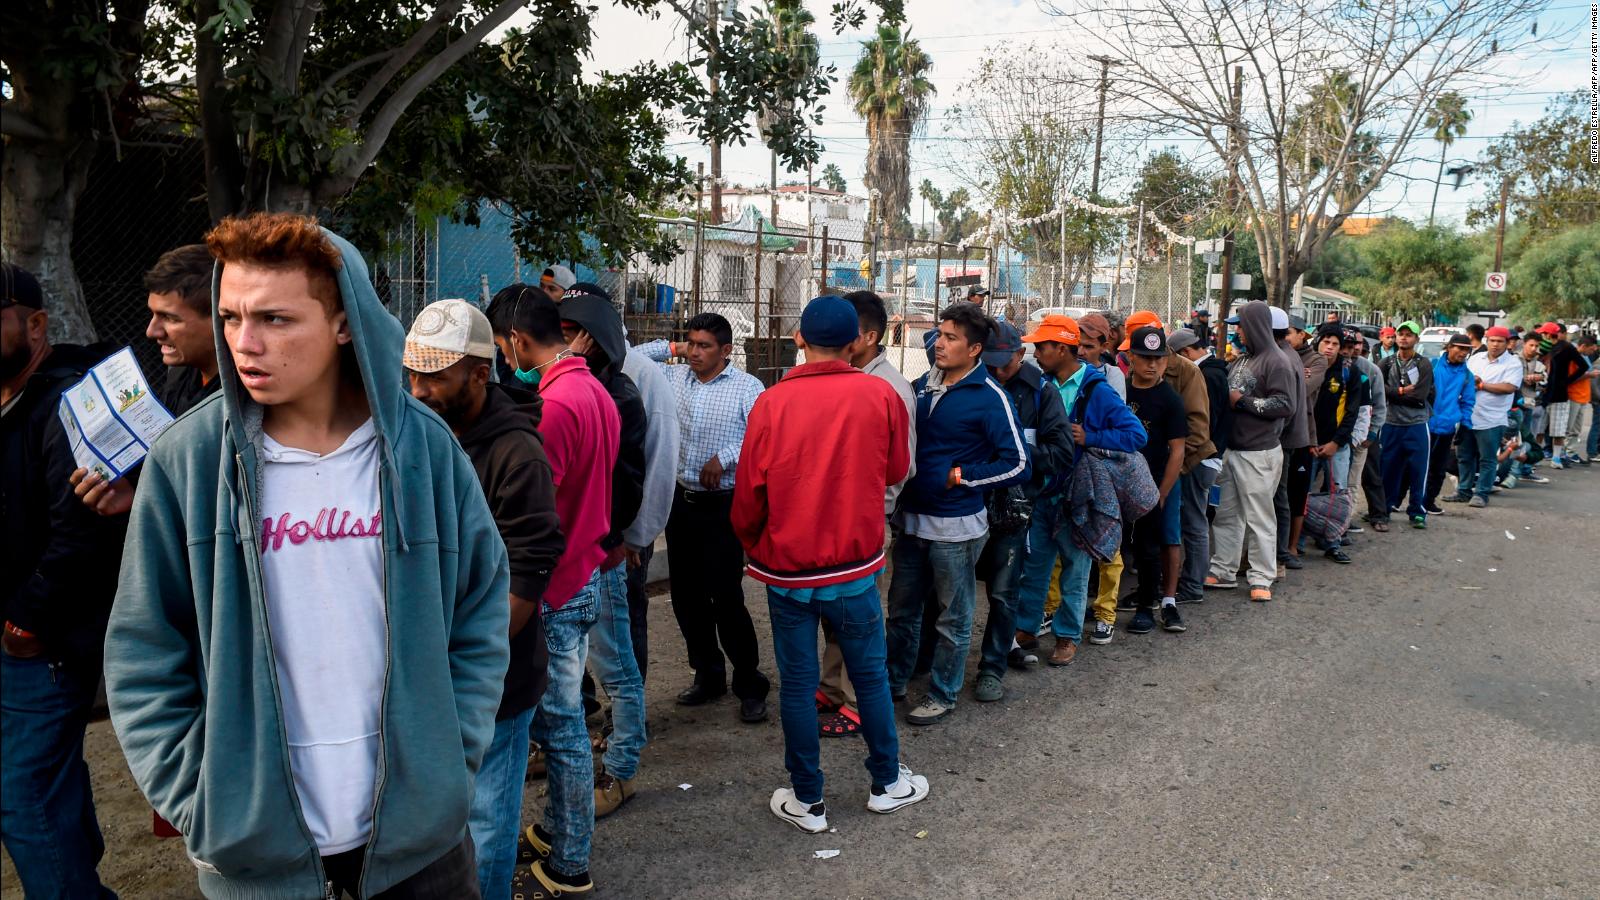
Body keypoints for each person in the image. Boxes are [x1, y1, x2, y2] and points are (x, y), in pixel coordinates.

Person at [106, 213, 509, 897]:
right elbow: (144, 650)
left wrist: (450, 760)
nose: (245, 344)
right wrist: (204, 799)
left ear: (345, 322)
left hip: (421, 848)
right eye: (230, 317)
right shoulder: (189, 462)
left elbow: (481, 612)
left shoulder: (425, 453)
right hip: (256, 855)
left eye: (276, 320)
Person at [730, 296, 930, 834]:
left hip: (788, 569)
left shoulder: (772, 403)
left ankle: (808, 799)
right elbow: (896, 468)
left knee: (797, 684)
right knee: (870, 677)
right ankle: (887, 783)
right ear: (854, 342)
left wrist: (757, 543)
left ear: (799, 337)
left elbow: (748, 495)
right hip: (855, 567)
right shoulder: (880, 394)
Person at [403, 299, 564, 900]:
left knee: (487, 826)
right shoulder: (421, 432)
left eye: (435, 376)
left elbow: (528, 574)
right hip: (427, 673)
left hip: (493, 682)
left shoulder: (514, 453)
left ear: (477, 372)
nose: (418, 390)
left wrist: (472, 666)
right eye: (412, 374)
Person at [485, 282, 619, 897]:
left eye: (497, 345)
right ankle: (559, 832)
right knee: (561, 722)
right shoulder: (589, 386)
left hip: (560, 584)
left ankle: (570, 860)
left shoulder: (558, 402)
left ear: (515, 339)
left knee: (559, 726)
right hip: (584, 568)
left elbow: (539, 508)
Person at [2, 263, 125, 897]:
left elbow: (83, 536)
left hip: (40, 648)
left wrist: (26, 623)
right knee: (48, 788)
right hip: (21, 641)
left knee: (26, 803)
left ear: (35, 323)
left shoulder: (71, 403)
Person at [885, 302, 1029, 727]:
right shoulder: (921, 387)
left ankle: (943, 693)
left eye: (950, 338)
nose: (939, 343)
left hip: (957, 527)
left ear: (975, 349)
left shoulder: (991, 398)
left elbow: (1019, 462)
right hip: (912, 522)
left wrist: (962, 476)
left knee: (954, 615)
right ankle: (893, 682)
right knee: (903, 611)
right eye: (940, 334)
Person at [638, 314, 772, 722]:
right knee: (686, 595)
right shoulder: (674, 378)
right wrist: (673, 348)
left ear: (727, 350)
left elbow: (760, 435)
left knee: (725, 595)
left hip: (723, 506)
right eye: (690, 344)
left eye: (704, 346)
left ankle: (749, 682)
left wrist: (726, 457)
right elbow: (632, 356)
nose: (695, 352)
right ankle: (708, 673)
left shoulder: (749, 388)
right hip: (681, 502)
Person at [555, 289, 652, 819]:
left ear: (591, 339)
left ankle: (621, 769)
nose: (555, 345)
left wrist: (617, 541)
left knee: (618, 671)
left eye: (567, 334)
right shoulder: (590, 389)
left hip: (601, 554)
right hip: (581, 554)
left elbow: (626, 480)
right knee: (584, 670)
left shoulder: (613, 395)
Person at [814, 291, 917, 738]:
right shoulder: (851, 379)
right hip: (840, 519)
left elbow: (902, 466)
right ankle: (832, 687)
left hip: (867, 522)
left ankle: (856, 702)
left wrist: (874, 512)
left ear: (868, 336)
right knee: (836, 610)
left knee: (860, 617)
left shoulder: (888, 387)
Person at [1015, 315, 1146, 652]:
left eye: (1042, 346)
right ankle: (1026, 628)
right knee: (1036, 567)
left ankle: (1067, 637)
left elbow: (1136, 434)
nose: (1036, 352)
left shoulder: (1096, 390)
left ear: (1061, 348)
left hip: (1078, 497)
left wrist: (1091, 437)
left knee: (1075, 571)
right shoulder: (1042, 384)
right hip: (1043, 492)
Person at [70, 245, 224, 519]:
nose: (151, 331)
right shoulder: (181, 372)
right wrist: (135, 495)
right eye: (153, 314)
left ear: (221, 318)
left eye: (170, 318)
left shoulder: (243, 398)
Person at [972, 320, 1073, 698]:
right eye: (990, 362)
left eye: (1004, 362)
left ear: (1020, 354)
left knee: (1003, 590)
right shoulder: (976, 383)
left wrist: (1011, 453)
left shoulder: (1042, 394)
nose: (997, 370)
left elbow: (1062, 453)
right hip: (969, 502)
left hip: (1013, 508)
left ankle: (993, 665)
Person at [1205, 302, 1297, 602]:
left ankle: (1261, 578)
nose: (1237, 331)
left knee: (1259, 518)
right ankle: (1223, 570)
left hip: (1259, 453)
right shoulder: (1243, 359)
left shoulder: (1277, 361)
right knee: (1227, 514)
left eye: (1240, 325)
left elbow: (1285, 405)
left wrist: (1242, 402)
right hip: (1234, 450)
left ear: (1255, 326)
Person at [1123, 326, 1191, 634]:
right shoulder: (1120, 390)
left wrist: (1161, 492)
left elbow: (1177, 451)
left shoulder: (1170, 400)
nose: (1152, 365)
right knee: (1116, 547)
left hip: (1151, 485)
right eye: (1145, 358)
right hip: (1118, 482)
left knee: (1149, 548)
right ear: (1130, 358)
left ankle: (1146, 608)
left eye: (1158, 359)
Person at [1169, 327, 1230, 602]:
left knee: (1195, 522)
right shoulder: (1217, 371)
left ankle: (1192, 585)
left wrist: (1184, 460)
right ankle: (1190, 580)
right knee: (1195, 520)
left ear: (1183, 353)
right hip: (1207, 457)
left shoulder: (1207, 375)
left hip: (1201, 458)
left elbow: (1203, 424)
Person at [1306, 325, 1370, 563]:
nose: (1330, 348)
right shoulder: (1308, 366)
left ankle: (1333, 542)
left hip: (1337, 446)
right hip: (1308, 444)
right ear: (1318, 342)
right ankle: (1298, 541)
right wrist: (1309, 441)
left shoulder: (1349, 372)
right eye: (1326, 342)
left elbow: (1352, 411)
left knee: (1337, 494)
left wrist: (1336, 442)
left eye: (1335, 344)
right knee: (1303, 492)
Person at [1446, 326, 1521, 507]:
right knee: (1464, 456)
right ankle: (1463, 491)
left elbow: (1509, 387)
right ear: (1487, 341)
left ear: (1506, 343)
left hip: (1492, 419)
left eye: (1500, 341)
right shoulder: (1476, 358)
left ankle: (1481, 493)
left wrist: (1481, 385)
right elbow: (1465, 379)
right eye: (1492, 340)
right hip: (1468, 415)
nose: (1495, 345)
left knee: (1487, 459)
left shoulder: (1513, 363)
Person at [1276, 312, 1324, 574]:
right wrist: (1297, 375)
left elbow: (1302, 389)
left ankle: (1291, 547)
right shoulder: (1282, 357)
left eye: (1289, 332)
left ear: (1302, 334)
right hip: (1280, 435)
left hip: (1303, 436)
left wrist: (1294, 377)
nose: (1285, 337)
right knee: (1278, 493)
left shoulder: (1316, 360)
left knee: (1296, 494)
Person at [1378, 321, 1436, 528]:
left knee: (1418, 470)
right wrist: (1401, 392)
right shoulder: (1387, 363)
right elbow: (1378, 389)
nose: (1403, 338)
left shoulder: (1423, 363)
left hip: (1417, 424)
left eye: (1408, 335)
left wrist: (1392, 394)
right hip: (1391, 423)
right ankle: (1383, 509)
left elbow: (1421, 396)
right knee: (1388, 469)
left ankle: (1417, 511)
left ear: (1416, 340)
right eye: (1400, 334)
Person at [1349, 337, 1389, 531]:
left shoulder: (1371, 370)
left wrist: (1372, 432)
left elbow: (1380, 405)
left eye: (1359, 346)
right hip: (1340, 433)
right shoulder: (1332, 365)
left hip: (1366, 433)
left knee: (1371, 474)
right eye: (1350, 345)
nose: (1355, 348)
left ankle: (1379, 514)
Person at [1535, 322, 1583, 468]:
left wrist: (1568, 381)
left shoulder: (1567, 347)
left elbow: (1583, 366)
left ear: (1549, 334)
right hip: (1542, 393)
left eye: (1543, 333)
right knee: (1539, 428)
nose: (1541, 336)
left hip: (1559, 394)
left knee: (1558, 428)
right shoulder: (1541, 348)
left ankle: (1556, 458)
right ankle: (1535, 457)